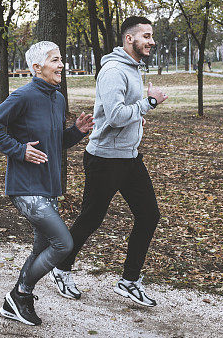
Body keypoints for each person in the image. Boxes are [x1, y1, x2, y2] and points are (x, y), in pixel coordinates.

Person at [52, 16, 168, 307]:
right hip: (105, 159)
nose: (151, 41)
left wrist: (137, 115)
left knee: (149, 214)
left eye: (151, 36)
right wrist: (149, 102)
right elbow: (115, 115)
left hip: (128, 157)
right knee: (91, 218)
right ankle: (61, 268)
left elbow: (121, 112)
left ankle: (129, 281)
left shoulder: (131, 68)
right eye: (146, 36)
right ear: (130, 39)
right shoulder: (114, 70)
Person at [0, 41, 94, 326]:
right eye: (55, 60)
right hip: (26, 187)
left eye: (61, 59)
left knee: (41, 248)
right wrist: (19, 150)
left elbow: (54, 144)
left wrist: (76, 132)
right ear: (37, 67)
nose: (61, 65)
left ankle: (17, 300)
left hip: (49, 186)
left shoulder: (57, 98)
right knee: (63, 243)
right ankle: (19, 296)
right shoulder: (24, 96)